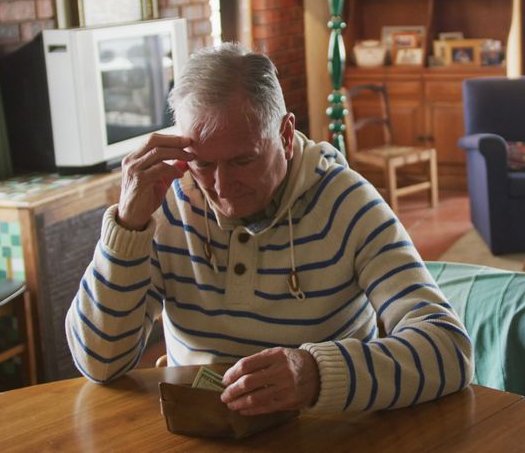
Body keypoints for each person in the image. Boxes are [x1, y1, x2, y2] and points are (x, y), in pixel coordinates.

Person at [66, 43, 473, 415]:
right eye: (204, 164)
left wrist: (316, 372)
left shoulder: (347, 202)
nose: (222, 188)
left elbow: (450, 351)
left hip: (323, 436)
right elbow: (100, 363)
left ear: (283, 133)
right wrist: (126, 227)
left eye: (243, 161)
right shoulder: (165, 202)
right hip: (198, 431)